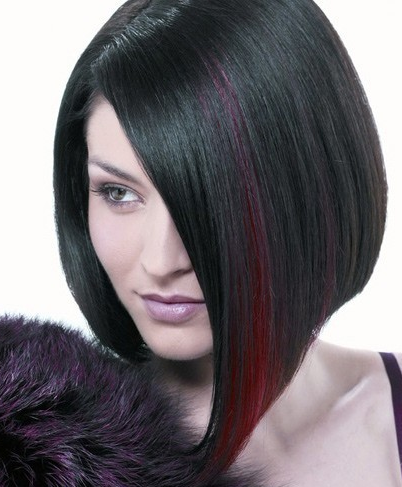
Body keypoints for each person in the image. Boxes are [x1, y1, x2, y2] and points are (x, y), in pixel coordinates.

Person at [1, 0, 397, 485]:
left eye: (212, 199)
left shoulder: (388, 411)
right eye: (119, 193)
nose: (161, 261)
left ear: (315, 194)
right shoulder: (33, 451)